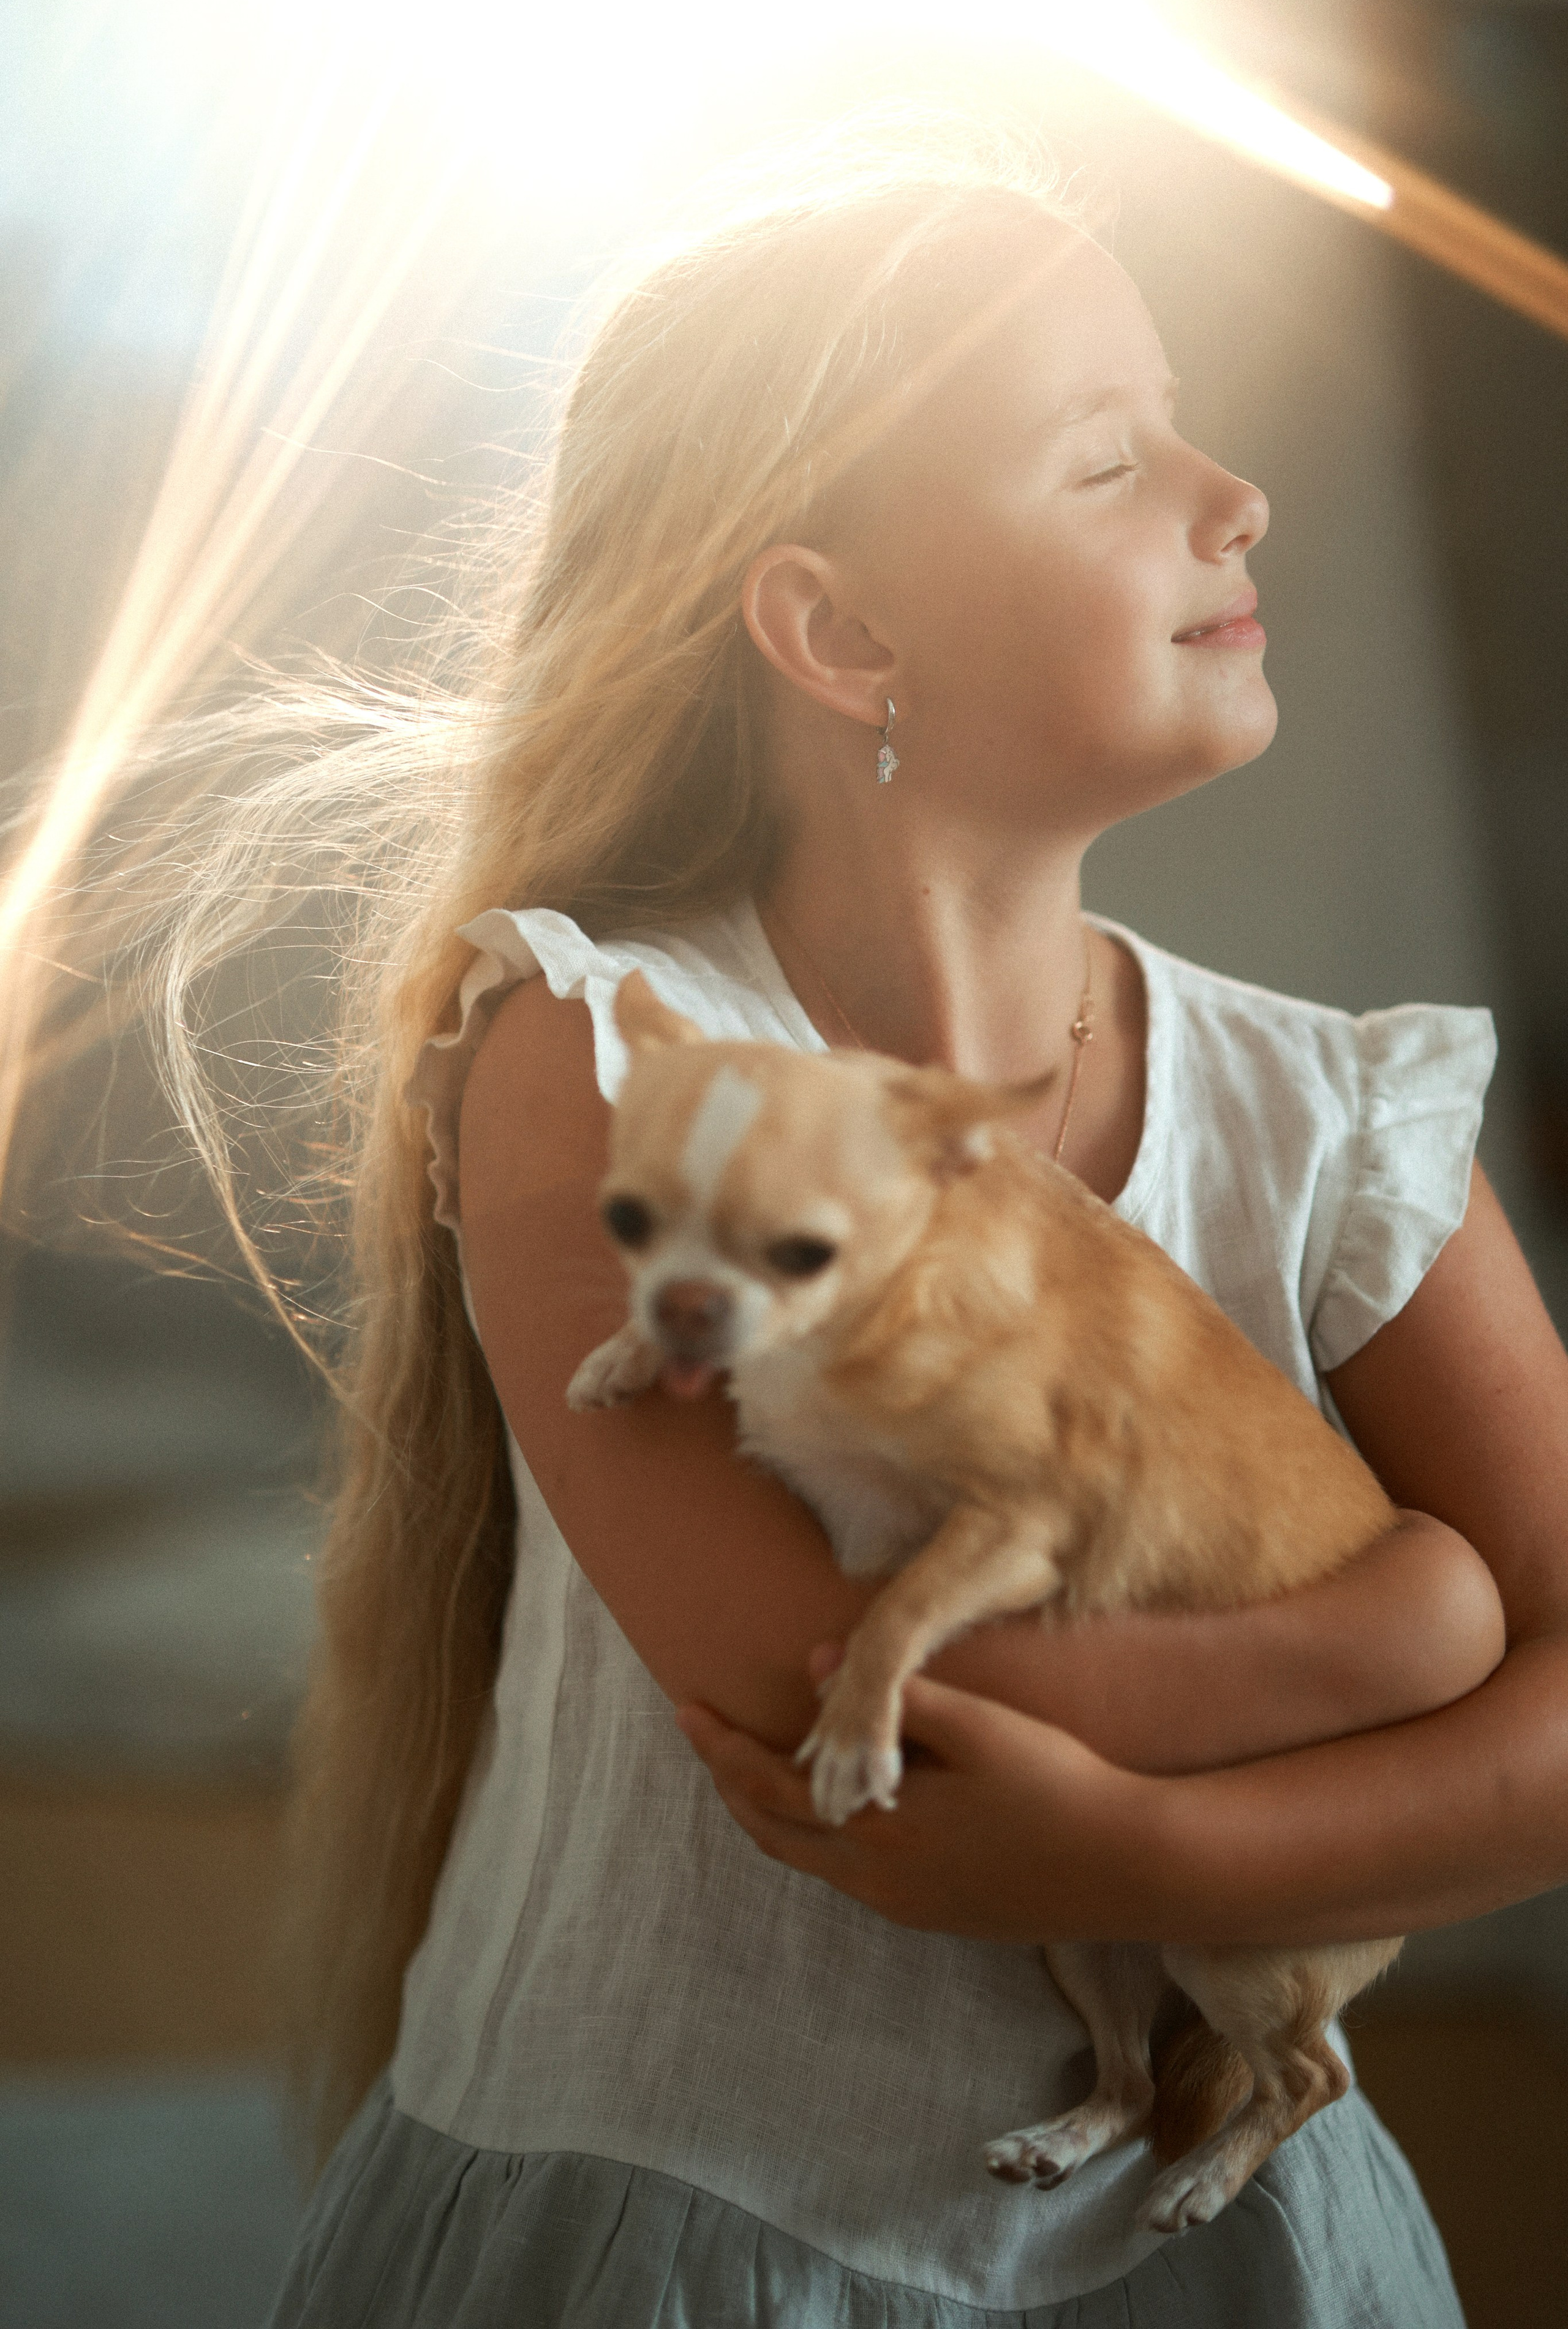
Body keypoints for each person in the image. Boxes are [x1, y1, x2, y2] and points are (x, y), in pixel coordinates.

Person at [259, 126, 1568, 2326]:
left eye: (1186, 427)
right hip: (676, 2242)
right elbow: (818, 1723)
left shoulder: (1330, 1120)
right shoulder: (609, 1053)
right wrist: (1400, 1646)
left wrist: (1155, 1863)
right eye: (1102, 459)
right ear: (841, 628)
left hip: (1238, 2265)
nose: (1230, 494)